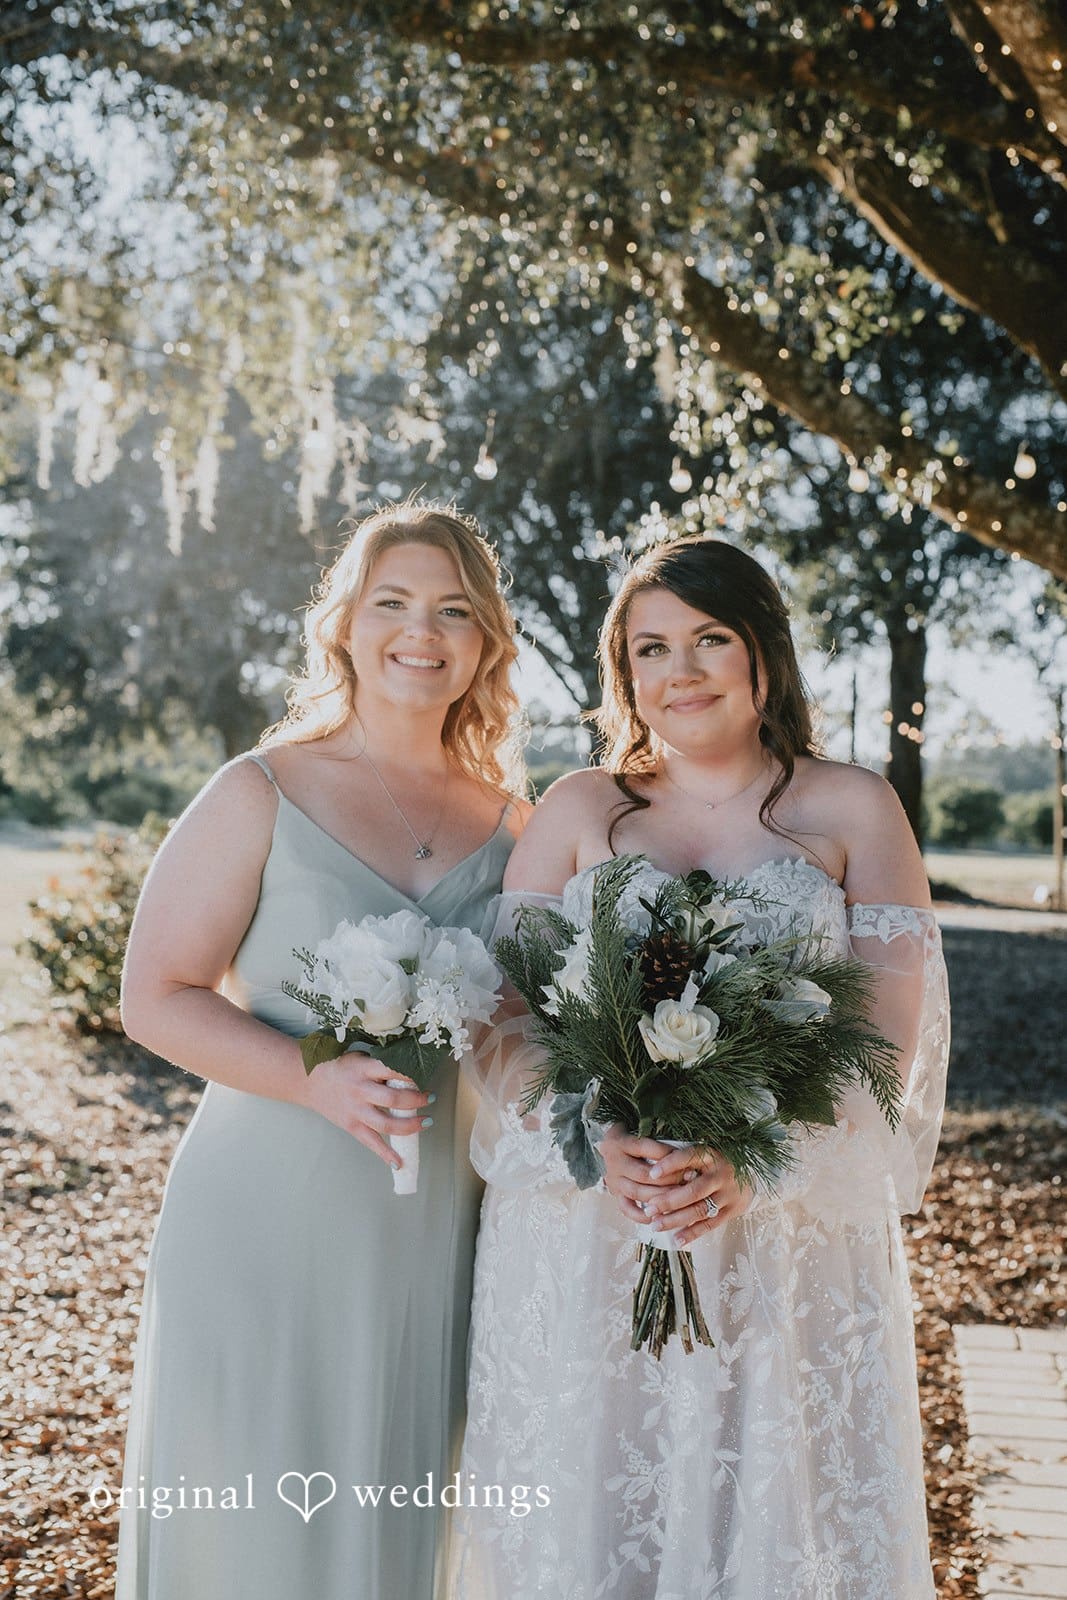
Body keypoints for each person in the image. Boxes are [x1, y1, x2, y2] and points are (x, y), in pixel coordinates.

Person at [452, 537, 949, 1599]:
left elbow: (881, 1045)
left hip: (782, 1234)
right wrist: (593, 1134)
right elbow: (505, 1015)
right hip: (591, 1224)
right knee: (595, 1513)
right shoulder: (581, 806)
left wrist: (752, 1164)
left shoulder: (854, 808)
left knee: (770, 1518)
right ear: (621, 672)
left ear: (761, 651)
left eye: (708, 639)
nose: (678, 671)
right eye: (649, 648)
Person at [114, 500, 528, 1600]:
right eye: (390, 602)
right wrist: (314, 1073)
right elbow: (153, 995)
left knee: (390, 1495)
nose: (420, 632)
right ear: (343, 624)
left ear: (484, 641)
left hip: (427, 1216)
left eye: (452, 610)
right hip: (263, 1208)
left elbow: (527, 1030)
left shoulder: (515, 827)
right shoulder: (259, 788)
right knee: (247, 1504)